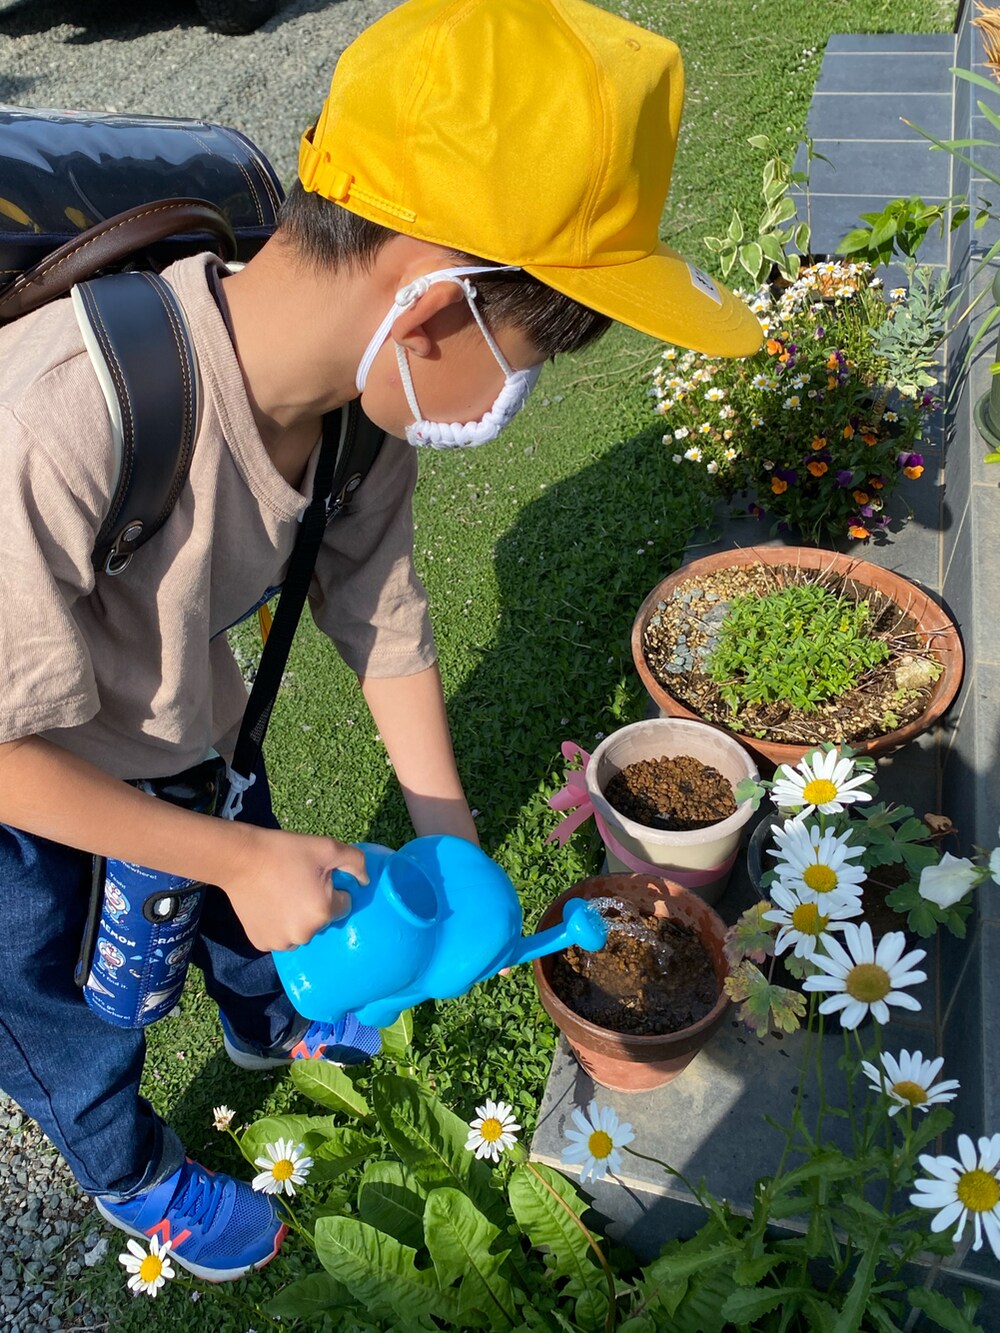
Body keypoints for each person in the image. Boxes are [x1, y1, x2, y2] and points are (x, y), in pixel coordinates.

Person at [0, 0, 762, 1286]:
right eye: (521, 365)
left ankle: (268, 1023)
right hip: (36, 805)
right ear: (428, 312)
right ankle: (132, 1172)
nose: (510, 407)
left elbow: (385, 617)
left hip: (188, 740)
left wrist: (449, 837)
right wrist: (227, 853)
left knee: (257, 908)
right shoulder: (62, 417)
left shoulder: (360, 416)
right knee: (69, 1021)